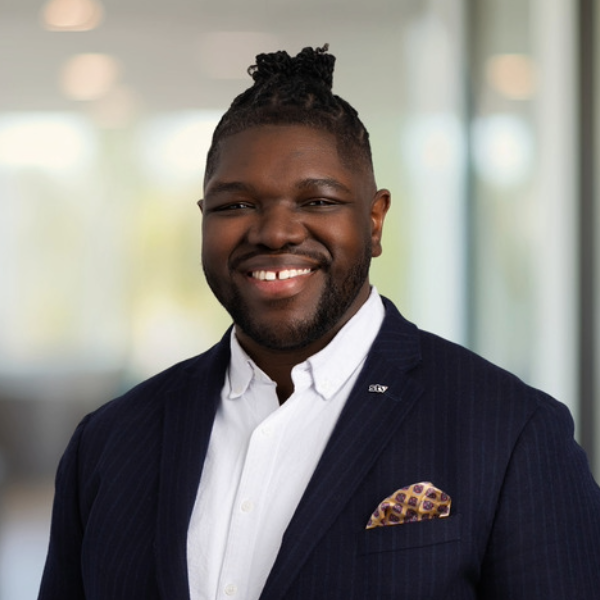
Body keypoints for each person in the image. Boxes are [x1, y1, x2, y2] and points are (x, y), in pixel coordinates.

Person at [38, 45, 600, 600]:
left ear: (375, 222)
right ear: (204, 219)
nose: (276, 232)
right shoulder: (109, 442)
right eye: (236, 205)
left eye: (317, 201)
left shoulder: (512, 432)